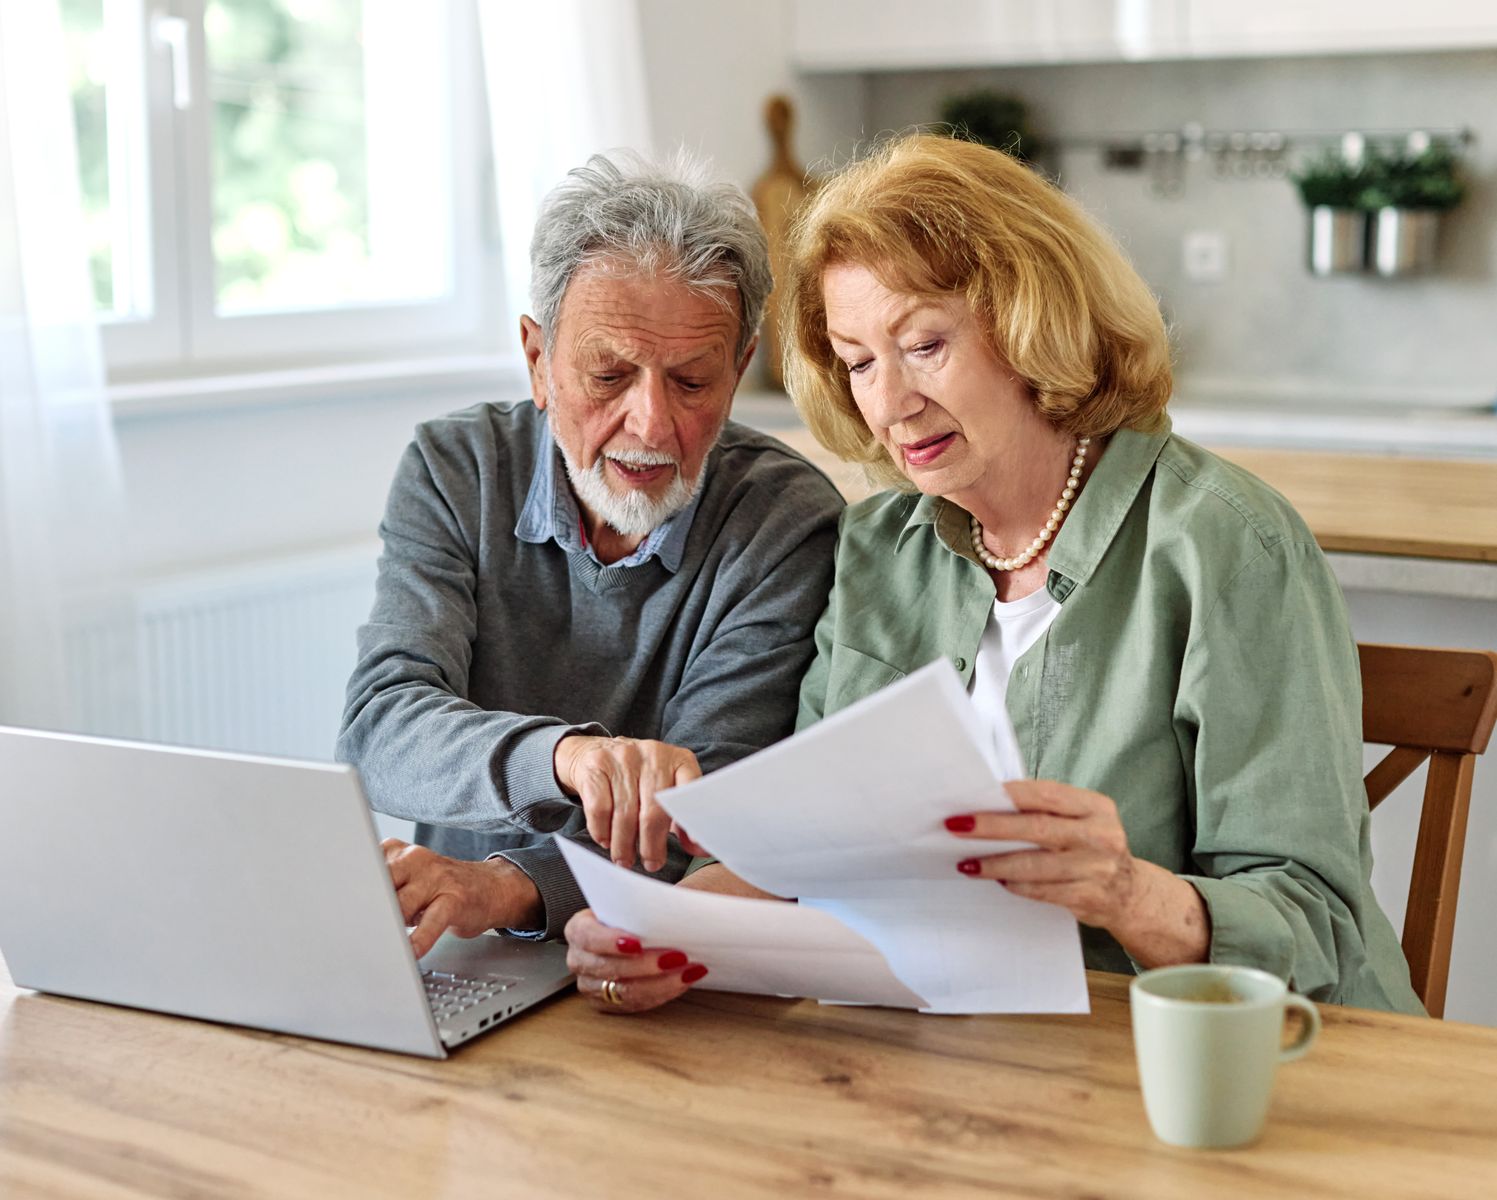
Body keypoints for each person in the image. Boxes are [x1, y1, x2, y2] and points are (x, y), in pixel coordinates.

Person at [569, 133, 1423, 1015]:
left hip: (1230, 1067)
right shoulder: (876, 550)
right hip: (969, 1067)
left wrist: (1127, 892)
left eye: (925, 345)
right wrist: (664, 932)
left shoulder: (1224, 545)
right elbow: (802, 863)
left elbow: (1318, 925)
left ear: (1028, 322)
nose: (891, 403)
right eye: (859, 362)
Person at [336, 151, 843, 964]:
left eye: (691, 382)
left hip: (660, 950)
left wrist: (503, 884)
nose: (650, 425)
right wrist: (564, 759)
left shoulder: (786, 521)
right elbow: (380, 729)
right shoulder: (454, 468)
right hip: (457, 947)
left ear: (740, 366)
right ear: (537, 360)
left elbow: (710, 821)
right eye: (608, 375)